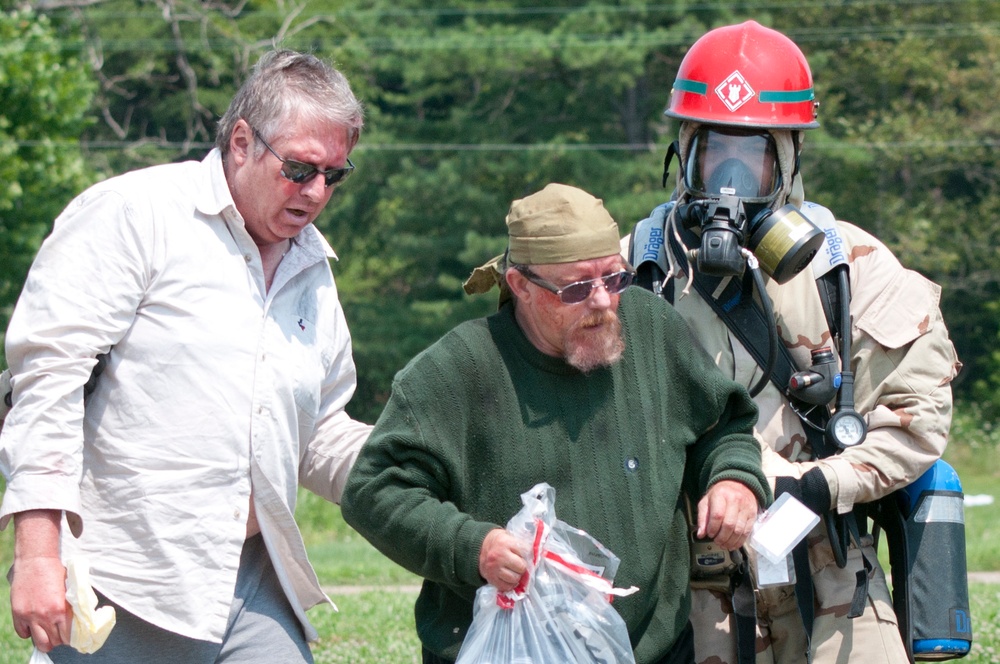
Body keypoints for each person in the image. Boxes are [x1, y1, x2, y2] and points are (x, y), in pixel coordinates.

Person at [0, 49, 373, 663]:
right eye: (301, 167)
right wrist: (38, 553)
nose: (317, 191)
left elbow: (318, 434)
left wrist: (432, 471)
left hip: (254, 583)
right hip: (123, 587)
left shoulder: (311, 267)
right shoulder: (133, 214)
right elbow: (48, 379)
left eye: (335, 174)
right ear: (243, 142)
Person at [626, 21, 962, 664]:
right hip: (688, 579)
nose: (728, 179)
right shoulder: (638, 271)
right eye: (710, 152)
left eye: (749, 156)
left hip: (829, 561)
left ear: (788, 159)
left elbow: (916, 424)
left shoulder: (852, 270)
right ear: (682, 150)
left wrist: (814, 485)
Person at [340, 182, 772, 664]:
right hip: (506, 650)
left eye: (614, 279)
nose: (604, 303)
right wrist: (472, 547)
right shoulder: (456, 372)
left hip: (656, 649)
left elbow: (723, 425)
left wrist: (734, 478)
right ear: (520, 285)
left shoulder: (652, 329)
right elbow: (374, 492)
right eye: (576, 288)